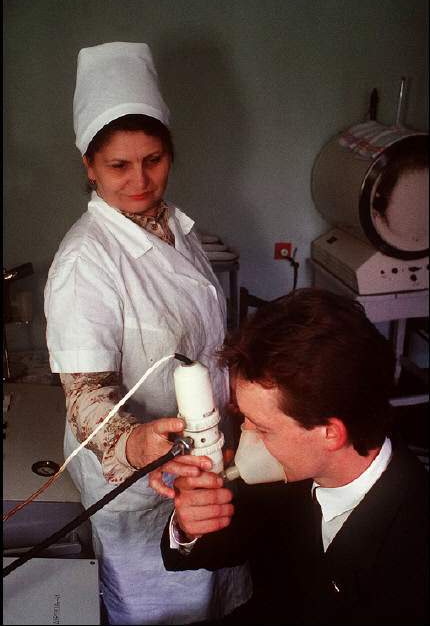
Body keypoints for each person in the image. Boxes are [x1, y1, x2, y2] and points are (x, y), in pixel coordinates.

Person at [44, 41, 251, 625]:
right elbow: (84, 394)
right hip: (142, 486)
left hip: (206, 456)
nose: (140, 181)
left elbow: (206, 341)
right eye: (118, 166)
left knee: (213, 591)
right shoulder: (87, 260)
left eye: (153, 160)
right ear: (89, 166)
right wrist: (135, 445)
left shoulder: (172, 228)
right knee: (164, 609)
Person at [159, 288, 429, 626]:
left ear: (330, 432)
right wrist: (189, 526)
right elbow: (222, 545)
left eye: (262, 428)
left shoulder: (414, 544)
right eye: (245, 418)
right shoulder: (287, 471)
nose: (246, 438)